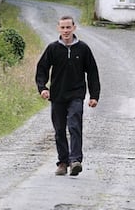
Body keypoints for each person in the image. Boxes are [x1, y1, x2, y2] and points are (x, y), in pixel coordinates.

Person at [35, 15, 100, 176]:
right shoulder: (53, 48)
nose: (66, 31)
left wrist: (94, 95)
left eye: (68, 27)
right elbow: (42, 69)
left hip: (76, 94)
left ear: (74, 28)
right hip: (57, 95)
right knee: (59, 130)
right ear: (58, 28)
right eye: (63, 28)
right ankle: (63, 162)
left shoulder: (83, 48)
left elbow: (92, 72)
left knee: (74, 125)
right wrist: (42, 88)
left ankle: (75, 160)